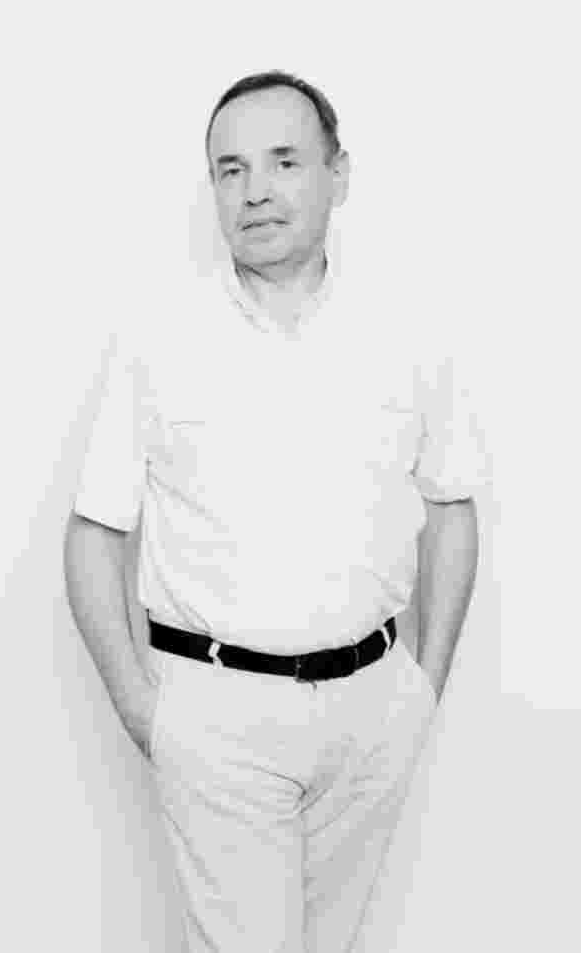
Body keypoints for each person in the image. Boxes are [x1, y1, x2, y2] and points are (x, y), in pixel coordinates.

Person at [64, 70, 489, 953]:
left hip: (375, 709)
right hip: (218, 716)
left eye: (284, 161)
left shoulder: (411, 332)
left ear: (339, 174)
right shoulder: (156, 338)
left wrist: (424, 687)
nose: (255, 189)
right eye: (231, 170)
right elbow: (95, 532)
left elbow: (452, 504)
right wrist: (147, 713)